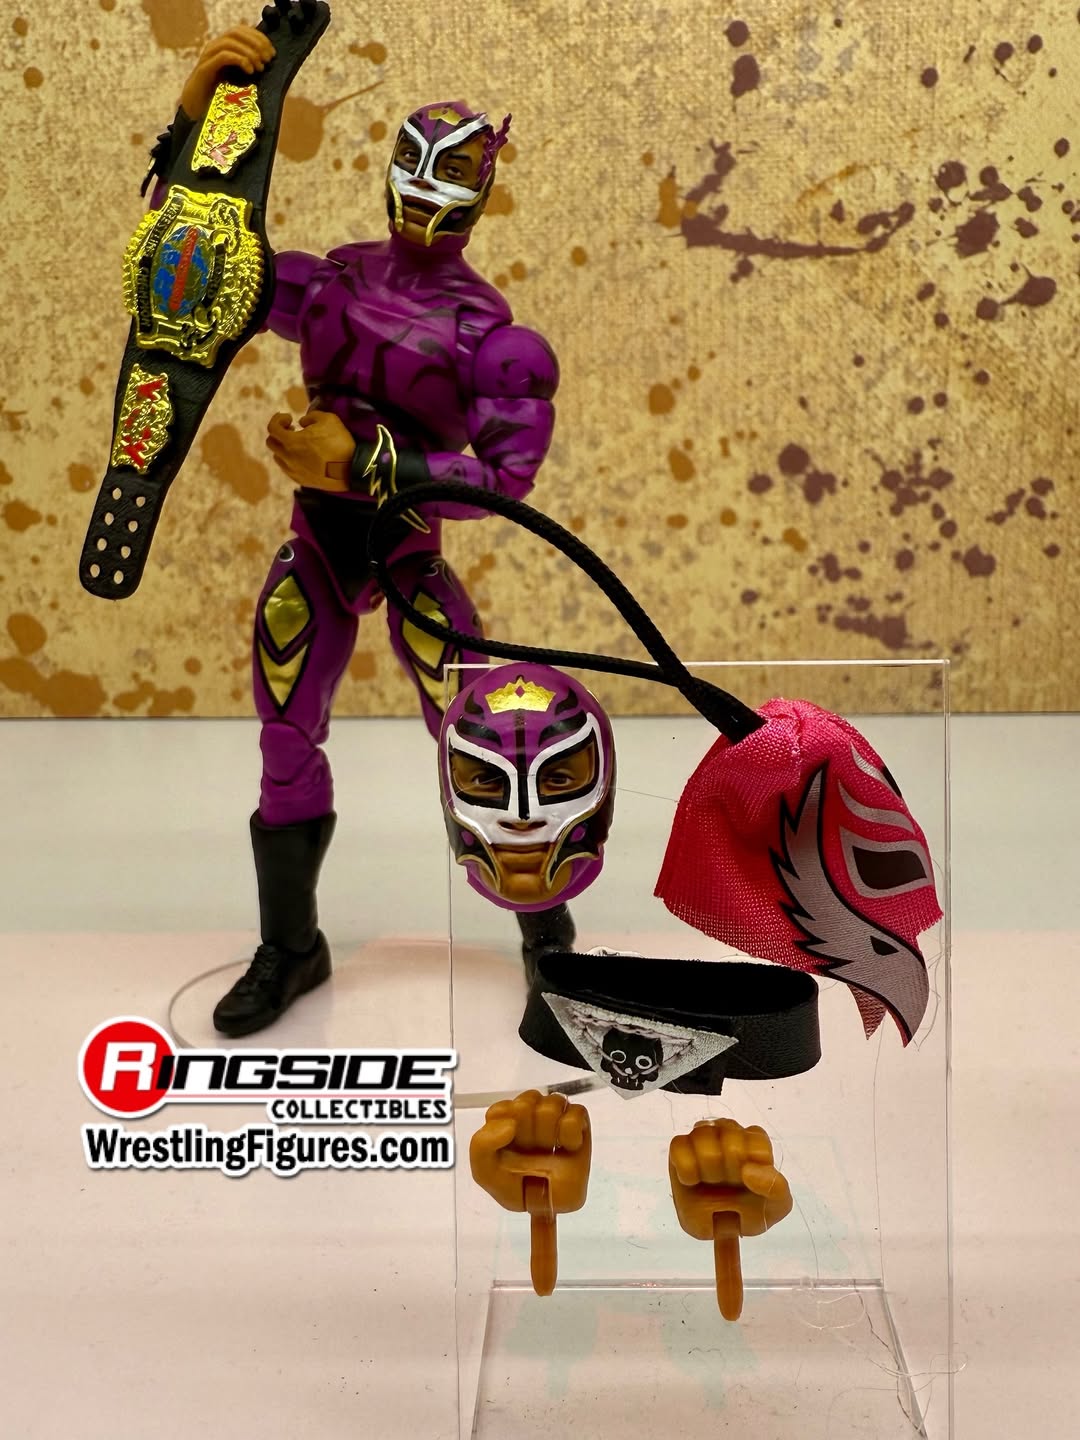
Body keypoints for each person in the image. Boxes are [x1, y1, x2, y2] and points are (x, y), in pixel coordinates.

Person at [156, 26, 570, 1035]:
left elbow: (503, 485)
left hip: (410, 547)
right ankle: (291, 945)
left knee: (483, 734)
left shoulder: (491, 336)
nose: (427, 187)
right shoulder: (332, 281)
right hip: (318, 542)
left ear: (483, 187)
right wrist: (199, 123)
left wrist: (369, 463)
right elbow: (194, 265)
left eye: (454, 171)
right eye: (415, 162)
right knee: (284, 731)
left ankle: (549, 941)